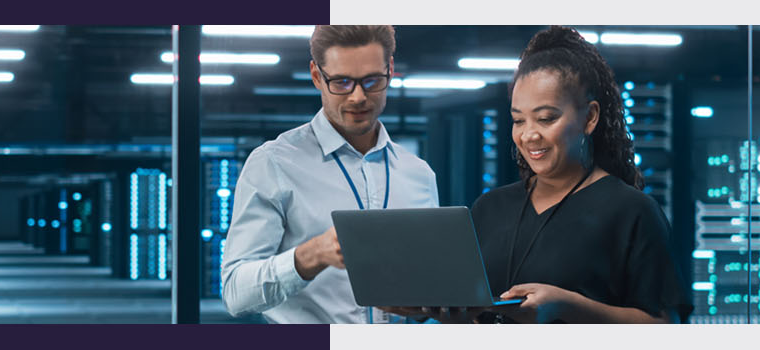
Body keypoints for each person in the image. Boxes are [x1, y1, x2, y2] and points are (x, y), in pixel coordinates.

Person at [399, 25, 689, 324]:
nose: (529, 135)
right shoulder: (490, 208)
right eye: (518, 120)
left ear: (589, 117)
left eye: (546, 118)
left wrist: (569, 307)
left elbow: (668, 325)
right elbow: (472, 312)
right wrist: (435, 309)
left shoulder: (632, 211)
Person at [220, 25, 440, 324]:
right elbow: (235, 293)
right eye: (342, 82)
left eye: (372, 81)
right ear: (316, 76)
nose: (358, 97)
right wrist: (311, 256)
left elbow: (427, 286)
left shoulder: (419, 174)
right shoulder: (273, 164)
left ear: (390, 70)